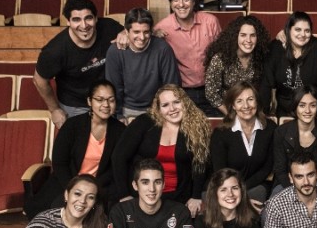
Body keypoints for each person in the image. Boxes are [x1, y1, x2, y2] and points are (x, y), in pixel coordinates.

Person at [25, 80, 125, 218]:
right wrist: (73, 187)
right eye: (99, 100)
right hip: (68, 180)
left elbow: (118, 168)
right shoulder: (73, 125)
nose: (106, 105)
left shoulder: (120, 131)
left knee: (105, 214)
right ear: (89, 101)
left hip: (100, 186)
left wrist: (93, 188)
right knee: (54, 209)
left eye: (111, 100)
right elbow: (60, 162)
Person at [111, 84, 211, 217]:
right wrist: (124, 195)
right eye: (165, 105)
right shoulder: (144, 122)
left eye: (176, 102)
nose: (172, 109)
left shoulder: (197, 126)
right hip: (142, 195)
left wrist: (196, 196)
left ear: (185, 102)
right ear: (158, 109)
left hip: (179, 196)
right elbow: (119, 156)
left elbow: (200, 164)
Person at [34, 0, 125, 129]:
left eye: (88, 18)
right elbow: (39, 80)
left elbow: (130, 32)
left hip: (107, 99)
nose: (84, 25)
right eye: (76, 19)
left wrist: (125, 33)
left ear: (95, 18)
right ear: (68, 22)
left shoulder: (109, 27)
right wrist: (54, 109)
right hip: (75, 105)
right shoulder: (55, 51)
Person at [154, 0, 222, 116]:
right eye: (175, 0)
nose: (181, 5)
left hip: (213, 89)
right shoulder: (161, 28)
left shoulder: (210, 22)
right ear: (171, 3)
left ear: (193, 1)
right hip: (183, 94)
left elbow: (223, 55)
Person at [105, 7, 180, 122]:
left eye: (146, 32)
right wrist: (118, 116)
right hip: (127, 110)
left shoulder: (163, 49)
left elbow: (171, 86)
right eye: (136, 32)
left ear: (151, 31)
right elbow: (114, 88)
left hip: (157, 110)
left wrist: (164, 113)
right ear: (126, 31)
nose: (141, 37)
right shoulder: (115, 51)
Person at [210, 81, 277, 207]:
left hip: (257, 186)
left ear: (257, 102)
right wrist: (236, 192)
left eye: (250, 99)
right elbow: (220, 170)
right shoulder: (221, 133)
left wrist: (243, 189)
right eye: (239, 101)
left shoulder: (270, 128)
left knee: (259, 194)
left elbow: (267, 168)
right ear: (233, 106)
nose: (246, 106)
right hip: (226, 187)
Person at [262, 11, 317, 119]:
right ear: (288, 30)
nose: (302, 34)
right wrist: (261, 114)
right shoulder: (275, 48)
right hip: (285, 111)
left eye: (307, 31)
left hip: (312, 110)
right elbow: (266, 83)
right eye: (297, 29)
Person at [272, 85, 317, 194]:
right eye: (302, 105)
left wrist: (311, 192)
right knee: (273, 209)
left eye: (312, 105)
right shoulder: (281, 132)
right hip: (287, 185)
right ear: (295, 107)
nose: (307, 110)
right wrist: (296, 192)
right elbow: (280, 170)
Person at [204, 15, 272, 115]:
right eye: (243, 35)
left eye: (252, 35)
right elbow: (211, 93)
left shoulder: (261, 58)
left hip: (252, 112)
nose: (248, 40)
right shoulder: (220, 59)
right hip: (226, 111)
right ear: (235, 36)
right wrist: (230, 115)